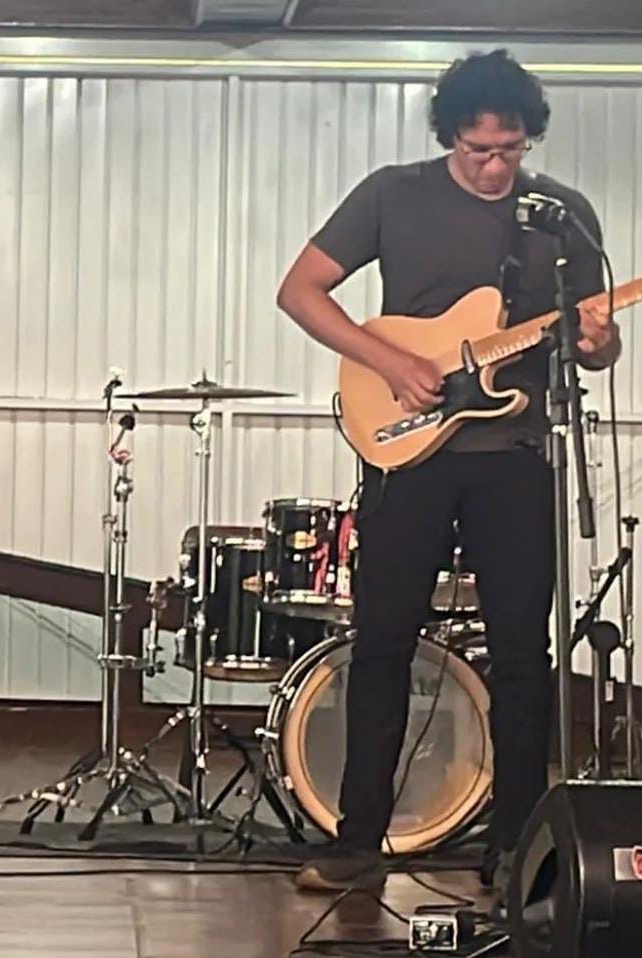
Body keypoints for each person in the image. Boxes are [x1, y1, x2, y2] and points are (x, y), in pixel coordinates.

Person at [277, 49, 620, 894]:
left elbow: (593, 350)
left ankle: (514, 847)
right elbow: (301, 291)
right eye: (478, 151)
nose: (496, 166)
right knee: (382, 643)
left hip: (516, 457)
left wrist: (600, 341)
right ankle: (357, 839)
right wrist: (388, 360)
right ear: (448, 137)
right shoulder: (391, 194)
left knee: (522, 655)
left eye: (510, 149)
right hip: (407, 454)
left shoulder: (561, 217)